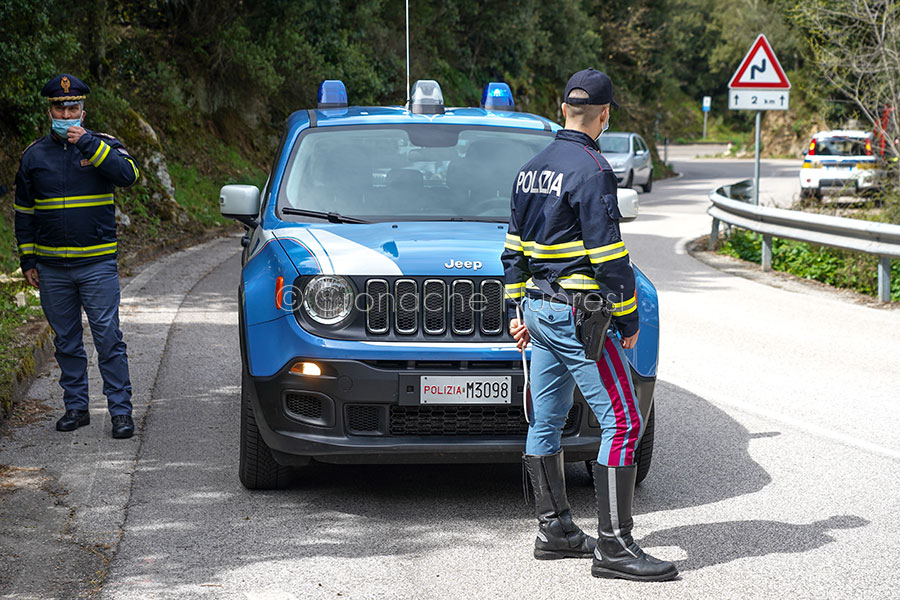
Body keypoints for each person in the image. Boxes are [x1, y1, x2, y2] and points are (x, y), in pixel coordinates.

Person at [501, 69, 677, 581]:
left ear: (562, 110)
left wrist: (517, 313)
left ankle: (554, 530)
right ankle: (615, 546)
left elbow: (513, 253)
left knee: (546, 421)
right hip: (579, 314)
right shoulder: (592, 169)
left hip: (538, 311)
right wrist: (626, 318)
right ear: (604, 115)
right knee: (623, 421)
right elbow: (609, 257)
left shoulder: (530, 169)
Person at [14, 74, 141, 439]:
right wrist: (28, 260)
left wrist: (88, 145)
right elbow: (24, 212)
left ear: (83, 112)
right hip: (52, 268)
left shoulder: (104, 145)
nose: (66, 113)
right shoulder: (34, 155)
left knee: (107, 337)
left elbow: (128, 175)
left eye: (73, 107)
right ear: (49, 110)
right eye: (60, 107)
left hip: (97, 265)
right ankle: (76, 408)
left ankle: (120, 412)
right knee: (66, 340)